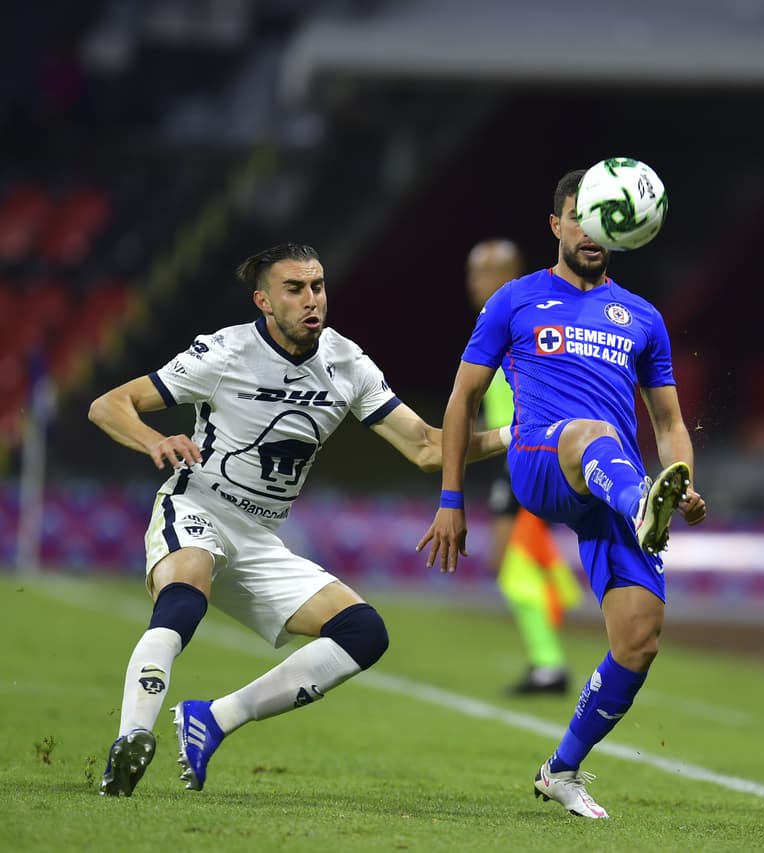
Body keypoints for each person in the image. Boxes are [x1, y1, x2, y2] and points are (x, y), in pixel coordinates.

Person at [89, 243, 507, 797]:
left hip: (259, 538)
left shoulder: (348, 364)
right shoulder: (224, 353)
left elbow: (430, 448)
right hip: (198, 508)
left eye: (318, 286)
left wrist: (519, 435)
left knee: (364, 632)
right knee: (186, 593)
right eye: (294, 289)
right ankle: (131, 740)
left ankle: (213, 719)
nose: (312, 300)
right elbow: (109, 404)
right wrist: (155, 438)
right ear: (263, 300)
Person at [419, 169, 708, 819]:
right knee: (590, 430)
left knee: (639, 637)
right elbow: (462, 400)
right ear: (555, 225)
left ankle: (562, 768)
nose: (594, 230)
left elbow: (668, 424)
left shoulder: (643, 317)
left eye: (608, 218)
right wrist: (451, 499)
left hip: (614, 482)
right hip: (544, 459)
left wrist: (681, 481)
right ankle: (642, 503)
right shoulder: (515, 301)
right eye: (582, 216)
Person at [466, 238, 584, 695]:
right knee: (512, 560)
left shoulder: (520, 320)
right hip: (516, 455)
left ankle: (549, 663)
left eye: (483, 273)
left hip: (527, 455)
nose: (474, 284)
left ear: (505, 276)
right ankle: (548, 648)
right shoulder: (506, 321)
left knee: (510, 561)